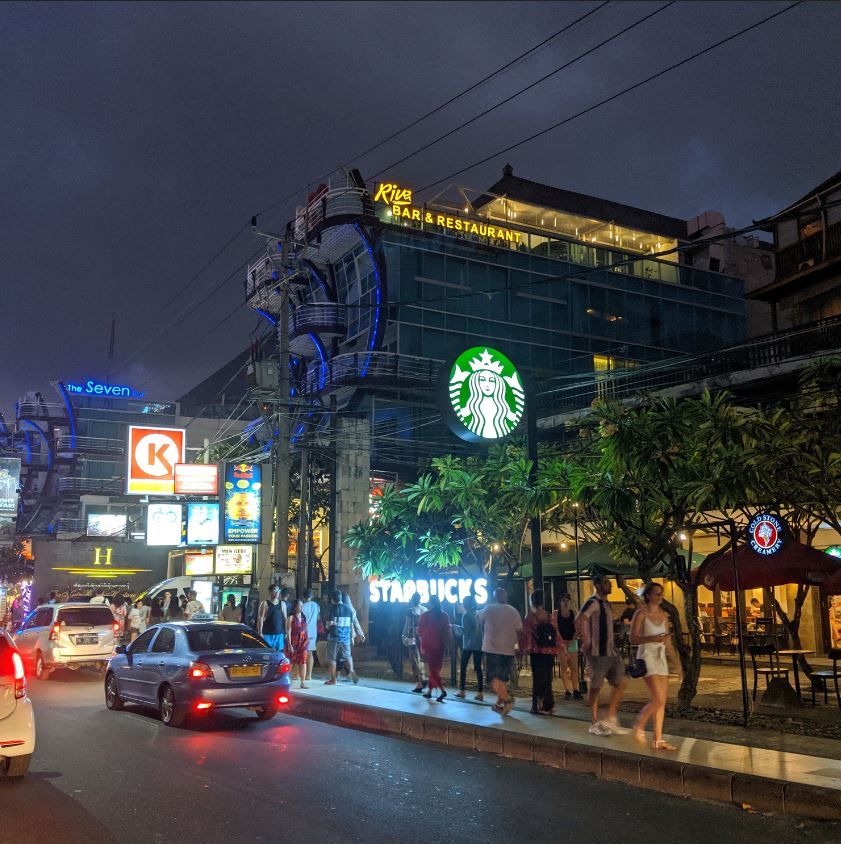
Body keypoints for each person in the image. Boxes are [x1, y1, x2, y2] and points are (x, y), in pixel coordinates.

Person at [576, 575, 628, 737]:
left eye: (609, 582)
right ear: (597, 585)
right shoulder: (593, 602)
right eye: (606, 582)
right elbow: (580, 619)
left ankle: (610, 717)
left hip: (610, 651)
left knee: (621, 682)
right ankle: (594, 721)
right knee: (596, 686)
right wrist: (586, 640)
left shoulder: (606, 604)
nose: (610, 585)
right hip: (597, 653)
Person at [630, 582, 677, 751]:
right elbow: (633, 639)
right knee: (657, 698)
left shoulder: (664, 615)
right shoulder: (640, 614)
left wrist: (676, 664)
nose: (660, 597)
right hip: (646, 657)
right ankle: (639, 725)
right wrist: (653, 639)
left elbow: (667, 642)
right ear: (648, 595)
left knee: (662, 701)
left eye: (661, 594)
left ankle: (658, 739)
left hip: (660, 658)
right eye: (657, 593)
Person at [477, 587, 522, 715]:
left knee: (492, 679)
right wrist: (517, 647)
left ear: (495, 597)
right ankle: (499, 703)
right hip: (508, 651)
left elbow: (478, 616)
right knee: (502, 679)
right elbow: (520, 630)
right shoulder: (514, 611)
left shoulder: (489, 608)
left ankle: (508, 700)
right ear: (506, 597)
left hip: (492, 649)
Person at [520, 589, 559, 715]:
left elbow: (527, 635)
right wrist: (559, 649)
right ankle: (549, 705)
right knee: (548, 678)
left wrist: (523, 650)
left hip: (536, 652)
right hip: (549, 652)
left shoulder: (530, 616)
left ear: (532, 601)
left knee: (537, 679)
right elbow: (555, 633)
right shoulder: (549, 616)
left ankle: (536, 705)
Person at [417, 595, 451, 702]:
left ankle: (442, 691)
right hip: (440, 645)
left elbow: (420, 631)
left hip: (429, 645)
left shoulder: (426, 615)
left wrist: (422, 645)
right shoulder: (444, 615)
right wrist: (448, 645)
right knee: (435, 669)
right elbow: (446, 631)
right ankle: (429, 692)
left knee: (433, 670)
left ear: (430, 603)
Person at [325, 589, 357, 685]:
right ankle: (351, 670)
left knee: (332, 658)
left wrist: (327, 626)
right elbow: (351, 624)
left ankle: (333, 680)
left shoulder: (333, 608)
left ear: (332, 599)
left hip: (334, 638)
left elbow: (330, 623)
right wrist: (351, 636)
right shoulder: (349, 609)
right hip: (346, 637)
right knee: (347, 656)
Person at [456, 595, 483, 700]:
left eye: (464, 602)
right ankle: (480, 692)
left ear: (466, 604)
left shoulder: (466, 615)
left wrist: (457, 628)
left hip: (468, 645)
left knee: (463, 667)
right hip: (479, 644)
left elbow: (466, 631)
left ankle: (462, 691)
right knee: (478, 668)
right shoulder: (478, 613)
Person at [555, 593, 581, 699]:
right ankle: (567, 690)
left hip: (572, 642)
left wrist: (573, 639)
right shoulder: (556, 614)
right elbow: (555, 629)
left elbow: (578, 628)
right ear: (560, 602)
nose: (566, 603)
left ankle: (576, 689)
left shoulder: (574, 613)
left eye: (567, 601)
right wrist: (562, 641)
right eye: (564, 601)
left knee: (574, 667)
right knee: (564, 667)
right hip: (561, 644)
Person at [402, 592, 426, 693]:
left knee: (415, 660)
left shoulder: (410, 611)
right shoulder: (424, 610)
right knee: (421, 660)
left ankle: (420, 682)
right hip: (423, 637)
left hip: (413, 638)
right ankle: (422, 678)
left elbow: (407, 626)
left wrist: (403, 637)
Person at [285, 599, 310, 689]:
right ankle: (287, 681)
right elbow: (288, 632)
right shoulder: (291, 618)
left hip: (302, 642)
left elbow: (305, 630)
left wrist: (307, 640)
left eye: (302, 605)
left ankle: (302, 682)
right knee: (290, 662)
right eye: (300, 605)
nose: (302, 607)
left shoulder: (303, 618)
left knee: (303, 661)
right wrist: (289, 644)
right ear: (295, 607)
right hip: (293, 641)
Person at [257, 584, 286, 652]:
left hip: (279, 634)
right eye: (275, 591)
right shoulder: (265, 603)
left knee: (278, 654)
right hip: (267, 634)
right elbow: (261, 618)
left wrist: (287, 632)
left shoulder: (282, 604)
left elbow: (285, 619)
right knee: (267, 653)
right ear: (270, 592)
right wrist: (260, 632)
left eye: (278, 591)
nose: (277, 592)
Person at [301, 589, 320, 681]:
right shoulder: (316, 605)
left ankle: (300, 674)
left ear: (303, 597)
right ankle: (309, 675)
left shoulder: (303, 606)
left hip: (304, 632)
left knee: (302, 653)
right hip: (313, 631)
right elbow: (318, 617)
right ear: (312, 596)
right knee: (310, 653)